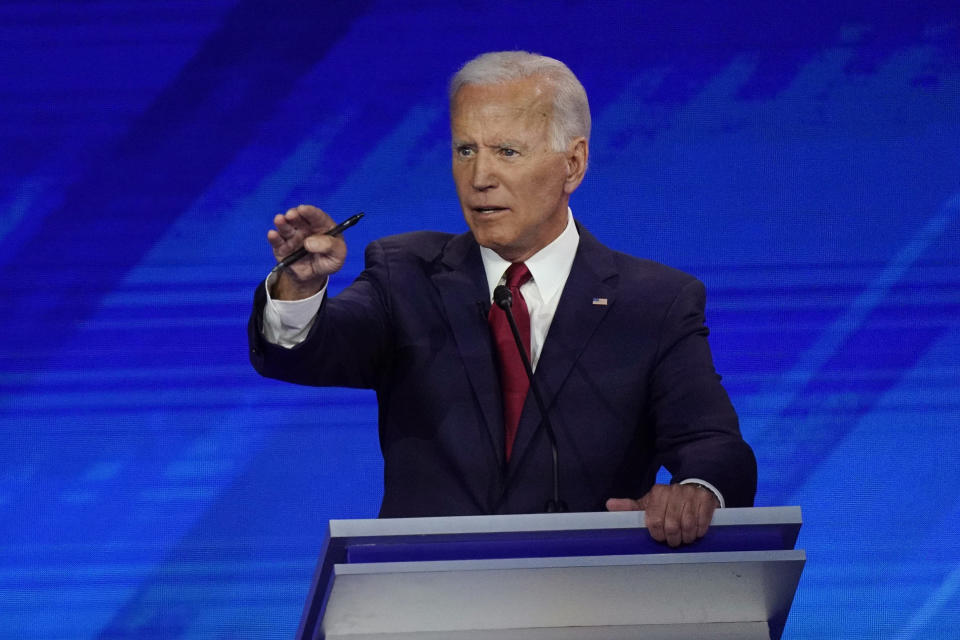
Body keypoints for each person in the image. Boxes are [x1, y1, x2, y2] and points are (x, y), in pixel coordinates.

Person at [248, 51, 756, 548]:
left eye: (506, 152)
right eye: (465, 150)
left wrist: (696, 491)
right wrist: (301, 285)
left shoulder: (654, 302)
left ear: (573, 165)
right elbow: (311, 348)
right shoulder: (406, 273)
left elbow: (715, 446)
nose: (479, 177)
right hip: (426, 602)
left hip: (585, 597)